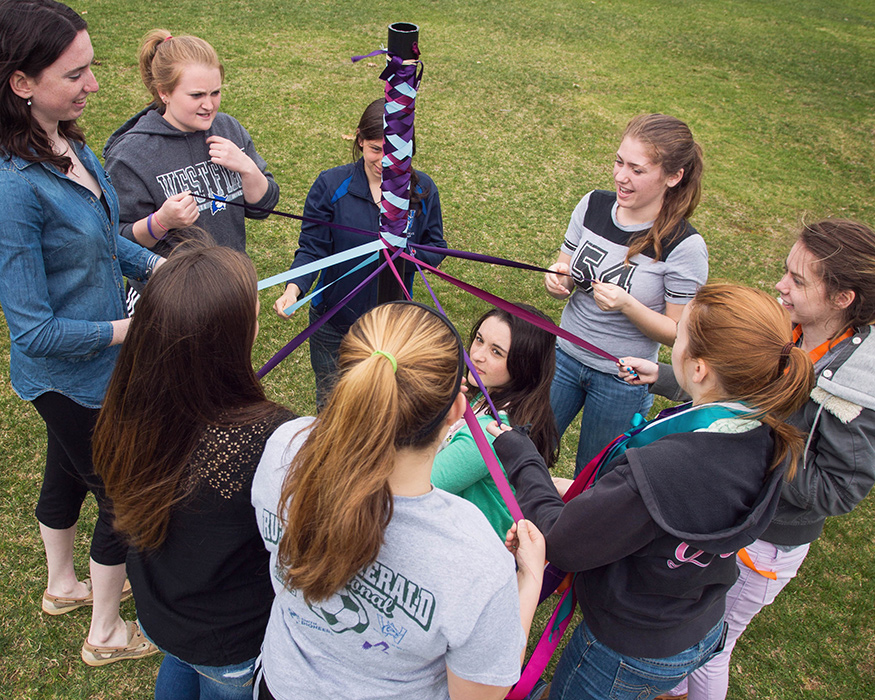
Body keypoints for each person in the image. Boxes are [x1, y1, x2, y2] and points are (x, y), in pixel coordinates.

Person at [492, 284, 815, 700]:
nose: (673, 340)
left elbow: (562, 541)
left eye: (678, 336)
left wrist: (522, 456)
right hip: (693, 620)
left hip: (627, 647)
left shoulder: (669, 467)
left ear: (698, 369)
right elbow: (665, 509)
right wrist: (599, 494)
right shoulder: (762, 429)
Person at [621, 219, 875, 700]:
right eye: (786, 271)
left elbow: (837, 491)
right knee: (687, 634)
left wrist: (751, 447)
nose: (781, 286)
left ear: (843, 298)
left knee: (710, 647)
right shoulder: (788, 325)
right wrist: (664, 376)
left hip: (765, 540)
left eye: (798, 281)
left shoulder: (857, 385)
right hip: (727, 509)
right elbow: (733, 382)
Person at [251, 302, 544, 700]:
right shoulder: (475, 557)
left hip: (279, 685)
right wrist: (528, 580)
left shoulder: (286, 447)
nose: (480, 355)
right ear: (457, 410)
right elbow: (481, 694)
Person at [0, 0, 162, 666]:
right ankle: (106, 632)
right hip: (70, 378)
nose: (93, 84)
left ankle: (63, 585)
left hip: (94, 371)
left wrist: (163, 268)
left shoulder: (69, 141)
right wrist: (133, 328)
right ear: (22, 83)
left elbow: (103, 241)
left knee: (65, 472)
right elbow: (34, 331)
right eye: (76, 73)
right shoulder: (13, 190)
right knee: (125, 497)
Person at [93, 243, 294, 698]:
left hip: (161, 616)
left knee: (180, 664)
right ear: (230, 337)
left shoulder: (130, 406)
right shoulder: (270, 437)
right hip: (231, 642)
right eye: (253, 315)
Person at [544, 114, 707, 475]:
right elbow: (564, 268)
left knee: (595, 476)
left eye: (637, 169)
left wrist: (628, 305)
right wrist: (558, 281)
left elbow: (677, 332)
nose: (621, 176)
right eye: (619, 162)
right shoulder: (593, 205)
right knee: (527, 451)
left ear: (673, 176)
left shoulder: (684, 245)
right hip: (564, 356)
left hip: (622, 379)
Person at [272, 98, 447, 408]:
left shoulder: (423, 191)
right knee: (333, 410)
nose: (384, 161)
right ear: (360, 140)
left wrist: (403, 255)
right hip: (334, 325)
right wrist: (293, 289)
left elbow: (435, 248)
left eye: (394, 152)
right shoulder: (331, 185)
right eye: (375, 149)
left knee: (381, 413)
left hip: (391, 329)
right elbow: (313, 248)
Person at [103, 29, 279, 313]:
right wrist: (161, 221)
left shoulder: (228, 129)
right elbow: (114, 242)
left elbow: (263, 207)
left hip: (229, 288)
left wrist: (247, 168)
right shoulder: (131, 155)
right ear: (164, 92)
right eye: (196, 95)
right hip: (169, 300)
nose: (209, 105)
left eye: (215, 92)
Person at [431, 304, 559, 538]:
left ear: (524, 366)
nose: (477, 355)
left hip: (468, 548)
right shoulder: (494, 399)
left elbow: (417, 488)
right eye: (479, 339)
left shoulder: (489, 433)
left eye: (496, 352)